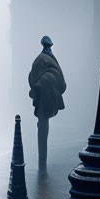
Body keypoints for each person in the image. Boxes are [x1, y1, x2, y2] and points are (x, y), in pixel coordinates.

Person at [28, 35, 67, 170]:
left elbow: (32, 78)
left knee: (42, 126)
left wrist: (36, 91)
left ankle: (42, 159)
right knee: (44, 127)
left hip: (42, 97)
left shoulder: (38, 60)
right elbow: (62, 84)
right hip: (49, 97)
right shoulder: (52, 61)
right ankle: (42, 159)